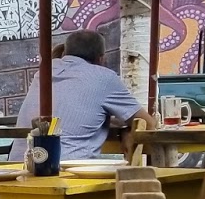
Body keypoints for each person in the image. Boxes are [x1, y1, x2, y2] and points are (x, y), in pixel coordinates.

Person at [13, 29, 153, 160]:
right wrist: (127, 131)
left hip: (18, 164)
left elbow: (72, 114)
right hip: (64, 168)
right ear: (101, 59)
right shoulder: (104, 77)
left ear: (65, 52)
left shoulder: (44, 72)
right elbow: (148, 123)